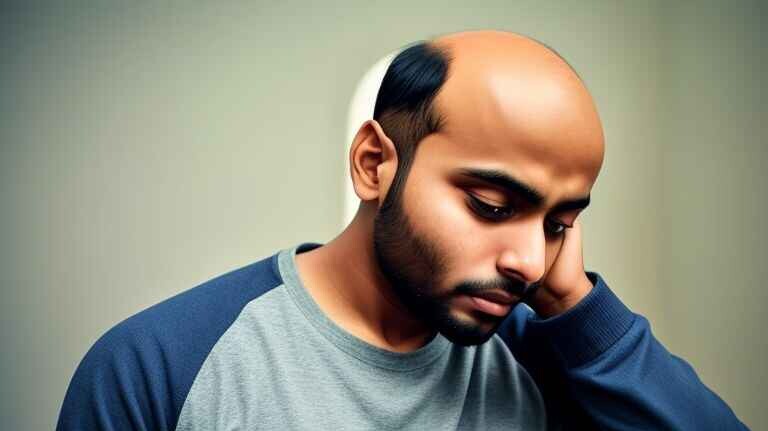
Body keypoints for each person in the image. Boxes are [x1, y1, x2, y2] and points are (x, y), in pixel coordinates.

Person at [57, 30, 748, 430]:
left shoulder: (553, 361)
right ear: (372, 163)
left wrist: (578, 310)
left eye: (560, 221)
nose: (532, 260)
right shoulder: (160, 367)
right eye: (491, 203)